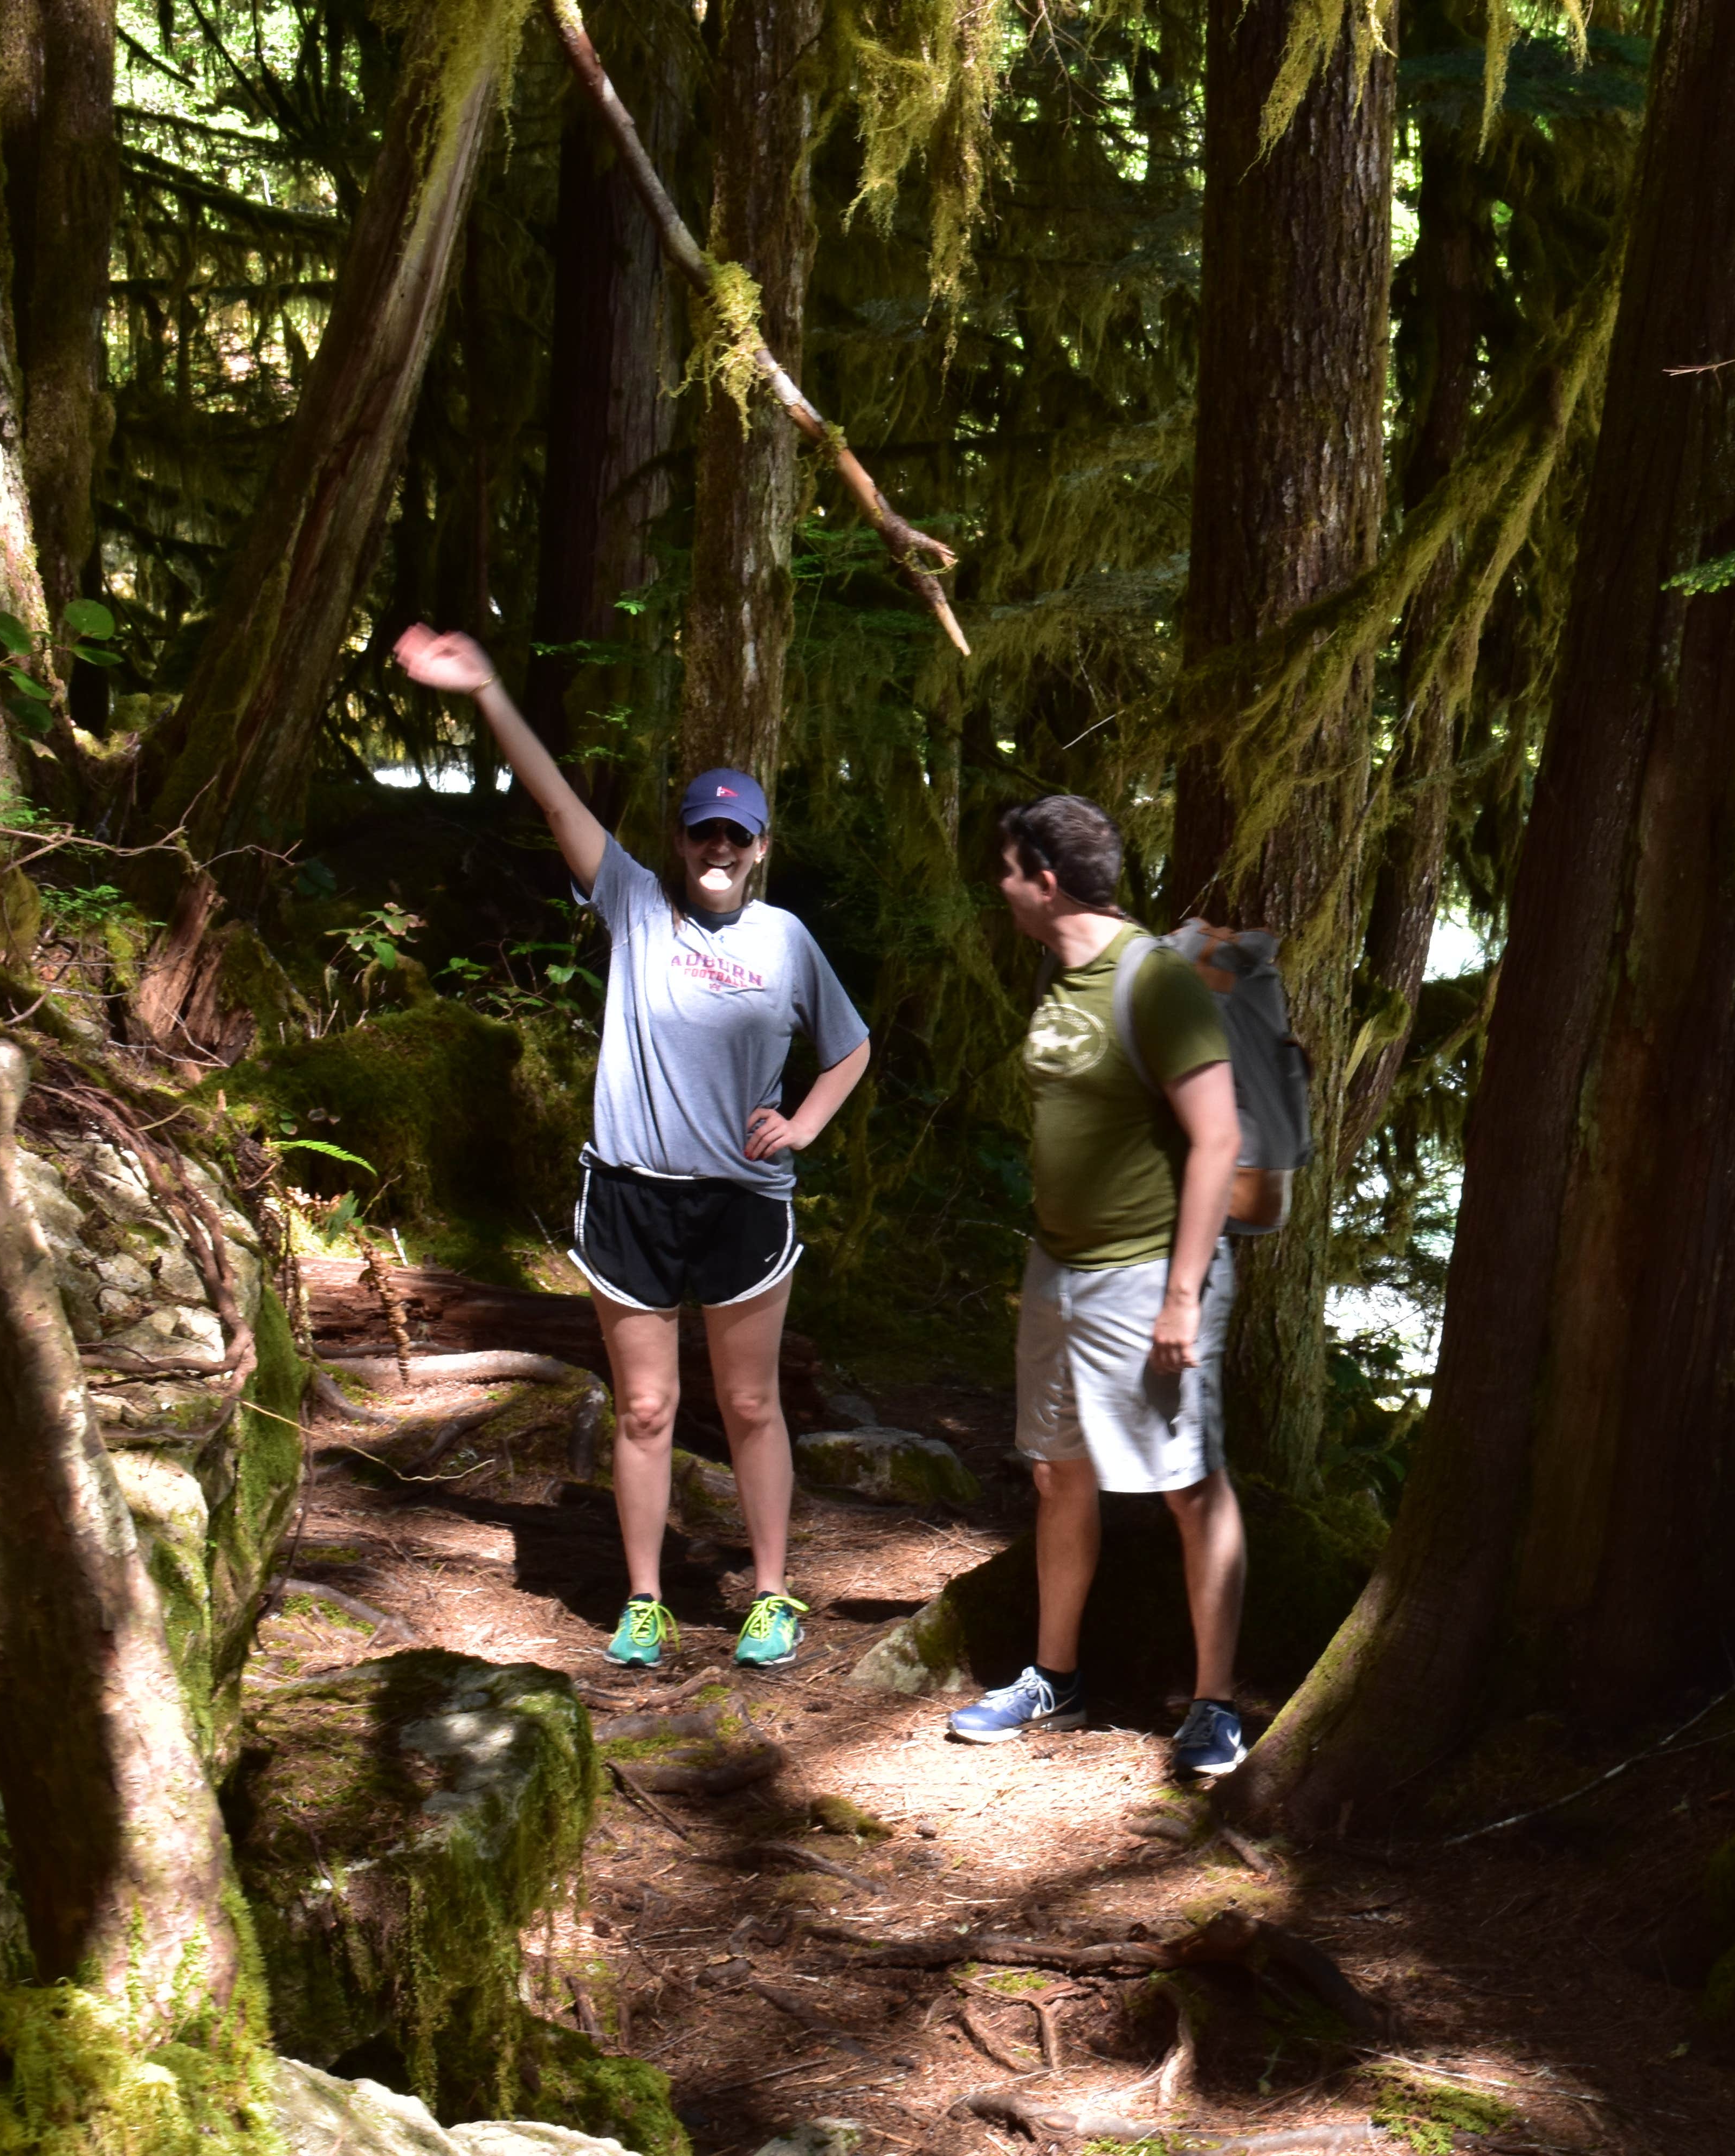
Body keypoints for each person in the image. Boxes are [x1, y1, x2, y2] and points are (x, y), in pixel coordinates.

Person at [389, 625, 872, 1671]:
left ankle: (773, 1595)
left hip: (744, 1200)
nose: (716, 851)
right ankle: (646, 1600)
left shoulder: (786, 940)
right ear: (681, 836)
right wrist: (488, 694)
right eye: (702, 833)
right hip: (630, 1197)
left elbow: (851, 1045)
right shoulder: (636, 905)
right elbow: (558, 800)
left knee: (749, 1401)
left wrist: (806, 1123)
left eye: (734, 839)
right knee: (647, 1404)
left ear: (760, 847)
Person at [946, 794, 1252, 1776]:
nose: (997, 888)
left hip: (1146, 1277)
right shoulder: (1059, 974)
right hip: (1059, 1273)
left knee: (1188, 1487)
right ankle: (1056, 1677)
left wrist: (1180, 1298)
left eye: (1006, 870)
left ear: (1045, 878)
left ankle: (1214, 1705)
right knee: (1057, 1473)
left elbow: (1218, 1138)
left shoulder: (1155, 980)